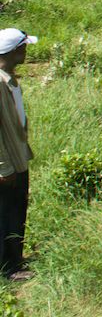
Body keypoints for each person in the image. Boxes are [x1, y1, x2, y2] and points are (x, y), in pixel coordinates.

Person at [0, 28, 36, 282]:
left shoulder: (9, 79)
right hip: (7, 163)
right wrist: (3, 167)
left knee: (17, 211)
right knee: (7, 214)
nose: (26, 51)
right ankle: (9, 268)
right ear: (13, 51)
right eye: (23, 47)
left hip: (17, 158)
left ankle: (15, 259)